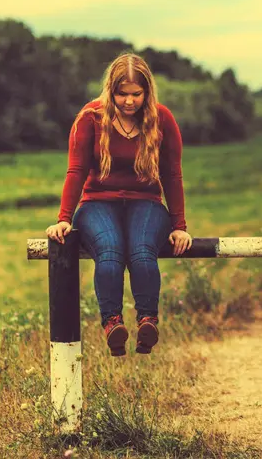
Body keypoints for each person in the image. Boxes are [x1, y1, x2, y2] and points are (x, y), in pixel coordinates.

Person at [46, 52, 193, 357]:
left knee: (141, 252)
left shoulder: (162, 119)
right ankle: (112, 324)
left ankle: (147, 322)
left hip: (147, 202)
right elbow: (76, 171)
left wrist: (179, 226)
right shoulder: (90, 118)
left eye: (136, 95)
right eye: (122, 94)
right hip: (98, 202)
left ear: (147, 92)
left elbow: (172, 174)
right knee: (110, 252)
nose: (129, 101)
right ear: (110, 91)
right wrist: (64, 218)